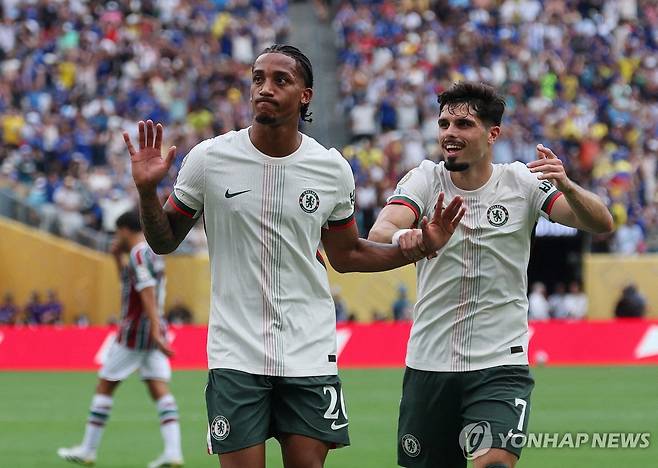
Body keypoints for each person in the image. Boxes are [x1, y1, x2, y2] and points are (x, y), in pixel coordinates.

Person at [122, 44, 464, 468]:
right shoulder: (209, 159)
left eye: (280, 80)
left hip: (309, 349)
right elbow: (164, 241)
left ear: (305, 95)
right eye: (258, 78)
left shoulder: (331, 168)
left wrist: (421, 247)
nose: (265, 88)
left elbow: (348, 254)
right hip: (235, 351)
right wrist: (146, 192)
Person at [368, 82, 613, 468]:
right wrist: (408, 237)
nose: (449, 133)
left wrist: (567, 186)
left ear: (492, 133)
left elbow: (601, 222)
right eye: (444, 124)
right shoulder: (425, 179)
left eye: (463, 124)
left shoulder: (521, 182)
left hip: (500, 363)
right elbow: (380, 232)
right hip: (429, 362)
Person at [57, 211, 183, 467]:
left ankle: (88, 450)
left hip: (136, 331)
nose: (116, 237)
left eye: (117, 232)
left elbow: (146, 290)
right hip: (153, 329)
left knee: (105, 385)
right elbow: (131, 284)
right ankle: (173, 452)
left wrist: (153, 329)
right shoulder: (151, 253)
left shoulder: (138, 253)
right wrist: (116, 258)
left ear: (125, 230)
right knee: (158, 388)